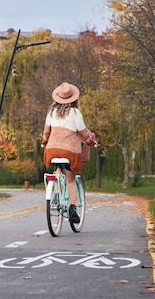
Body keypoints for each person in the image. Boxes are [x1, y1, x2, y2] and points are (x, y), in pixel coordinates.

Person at [41, 82, 96, 223]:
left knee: (58, 168)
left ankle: (55, 189)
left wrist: (44, 143)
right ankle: (72, 207)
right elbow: (84, 134)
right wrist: (91, 142)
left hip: (52, 151)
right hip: (70, 152)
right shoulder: (75, 113)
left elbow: (46, 133)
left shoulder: (51, 113)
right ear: (74, 99)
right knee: (71, 179)